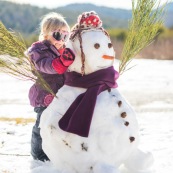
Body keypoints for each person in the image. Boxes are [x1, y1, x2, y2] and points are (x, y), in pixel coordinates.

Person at [27, 12, 75, 161]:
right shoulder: (38, 50)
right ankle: (38, 153)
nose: (62, 40)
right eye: (57, 35)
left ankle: (56, 149)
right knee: (42, 125)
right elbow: (46, 66)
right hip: (44, 95)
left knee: (58, 124)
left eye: (65, 36)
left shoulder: (63, 49)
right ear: (46, 34)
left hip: (60, 94)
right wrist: (61, 63)